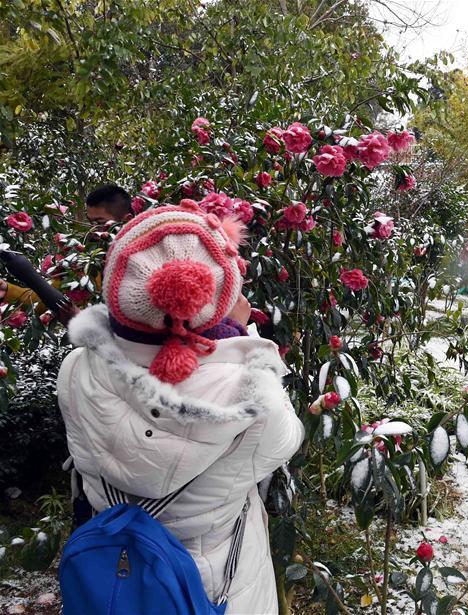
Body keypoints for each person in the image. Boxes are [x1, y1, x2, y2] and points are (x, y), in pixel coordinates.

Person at [58, 204, 304, 613]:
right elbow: (286, 442)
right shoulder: (253, 398)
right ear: (219, 293)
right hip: (211, 586)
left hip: (113, 577)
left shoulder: (75, 370)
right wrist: (242, 332)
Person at [0, 184, 133, 314]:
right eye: (90, 223)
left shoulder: (147, 256)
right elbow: (48, 297)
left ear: (127, 220)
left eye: (100, 223)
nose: (93, 230)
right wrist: (7, 290)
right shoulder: (88, 262)